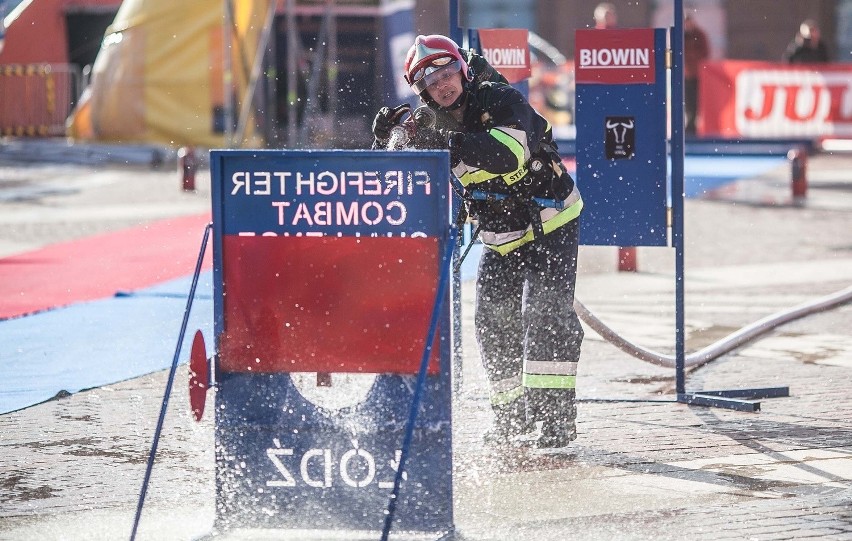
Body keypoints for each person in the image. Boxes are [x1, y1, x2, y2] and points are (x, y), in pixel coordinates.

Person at [372, 35, 585, 449]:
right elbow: (389, 177)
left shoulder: (501, 99)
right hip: (500, 236)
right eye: (432, 84)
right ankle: (511, 419)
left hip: (551, 220)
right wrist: (384, 139)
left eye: (448, 75)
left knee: (547, 314)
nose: (443, 87)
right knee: (492, 324)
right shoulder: (428, 124)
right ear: (422, 92)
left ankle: (556, 418)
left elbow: (508, 156)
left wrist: (448, 144)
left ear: (462, 71)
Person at [683, 14, 710, 135]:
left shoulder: (699, 35)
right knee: (688, 101)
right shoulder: (684, 36)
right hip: (686, 74)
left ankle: (693, 125)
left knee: (695, 101)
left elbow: (705, 53)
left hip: (696, 74)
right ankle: (690, 124)